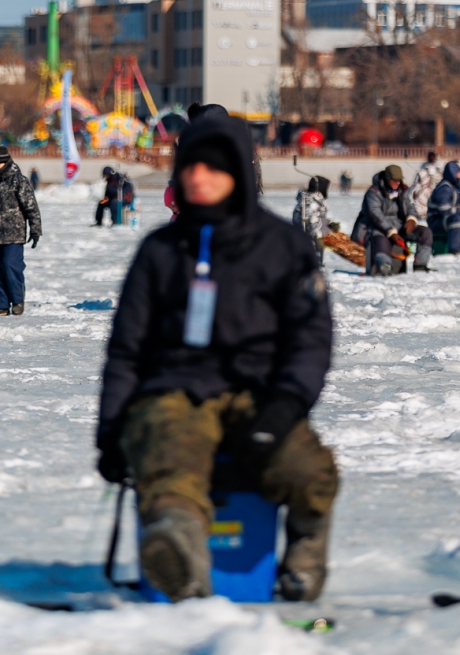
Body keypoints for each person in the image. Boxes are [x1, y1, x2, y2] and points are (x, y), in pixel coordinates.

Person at [96, 113, 336, 603]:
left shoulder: (282, 247)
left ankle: (304, 563)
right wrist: (112, 430)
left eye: (213, 169)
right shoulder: (160, 251)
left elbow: (311, 339)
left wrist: (287, 403)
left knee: (309, 472)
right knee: (169, 462)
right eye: (191, 169)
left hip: (259, 394)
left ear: (239, 174)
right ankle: (179, 554)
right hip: (173, 393)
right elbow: (127, 349)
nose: (199, 179)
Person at [0, 138, 41, 316]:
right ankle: (1, 304)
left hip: (14, 234)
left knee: (11, 266)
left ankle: (17, 300)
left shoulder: (19, 181)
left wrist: (35, 230)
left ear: (6, 161)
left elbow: (31, 207)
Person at [352, 164, 432, 275]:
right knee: (380, 238)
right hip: (377, 227)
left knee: (425, 233)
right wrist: (391, 231)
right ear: (387, 179)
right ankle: (385, 265)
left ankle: (420, 265)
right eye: (394, 180)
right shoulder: (373, 193)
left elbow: (410, 206)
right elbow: (376, 216)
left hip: (400, 226)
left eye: (399, 180)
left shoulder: (403, 190)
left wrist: (412, 219)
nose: (397, 183)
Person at [427, 161, 460, 255]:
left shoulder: (455, 186)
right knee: (456, 219)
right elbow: (444, 208)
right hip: (436, 220)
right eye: (458, 172)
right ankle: (454, 249)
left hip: (447, 218)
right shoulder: (445, 187)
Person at [292, 176, 332, 263]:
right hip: (310, 240)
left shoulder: (316, 200)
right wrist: (322, 232)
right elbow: (309, 223)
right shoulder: (310, 202)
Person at [410, 152, 442, 224]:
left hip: (435, 192)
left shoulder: (439, 168)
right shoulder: (423, 169)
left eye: (433, 157)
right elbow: (416, 184)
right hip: (424, 195)